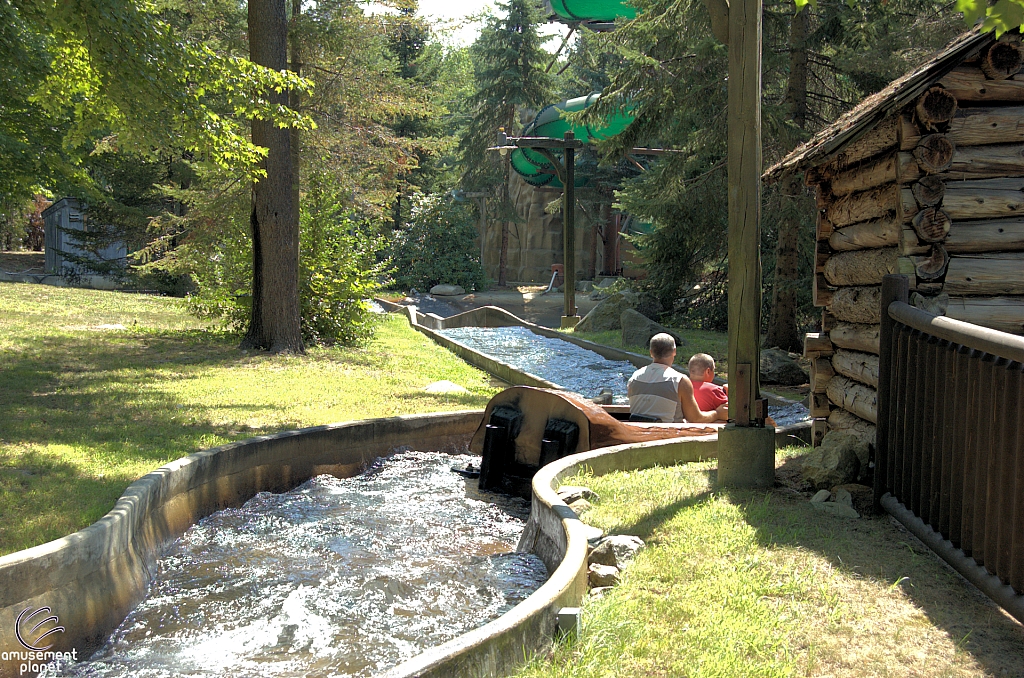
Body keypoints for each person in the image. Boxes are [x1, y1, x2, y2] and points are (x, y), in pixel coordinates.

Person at [627, 334, 728, 424]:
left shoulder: (634, 378)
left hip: (638, 433)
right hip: (668, 436)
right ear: (674, 351)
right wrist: (717, 413)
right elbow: (696, 419)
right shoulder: (680, 381)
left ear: (651, 352)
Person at [688, 353, 729, 422]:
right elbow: (729, 412)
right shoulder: (714, 390)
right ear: (708, 371)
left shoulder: (683, 387)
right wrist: (729, 393)